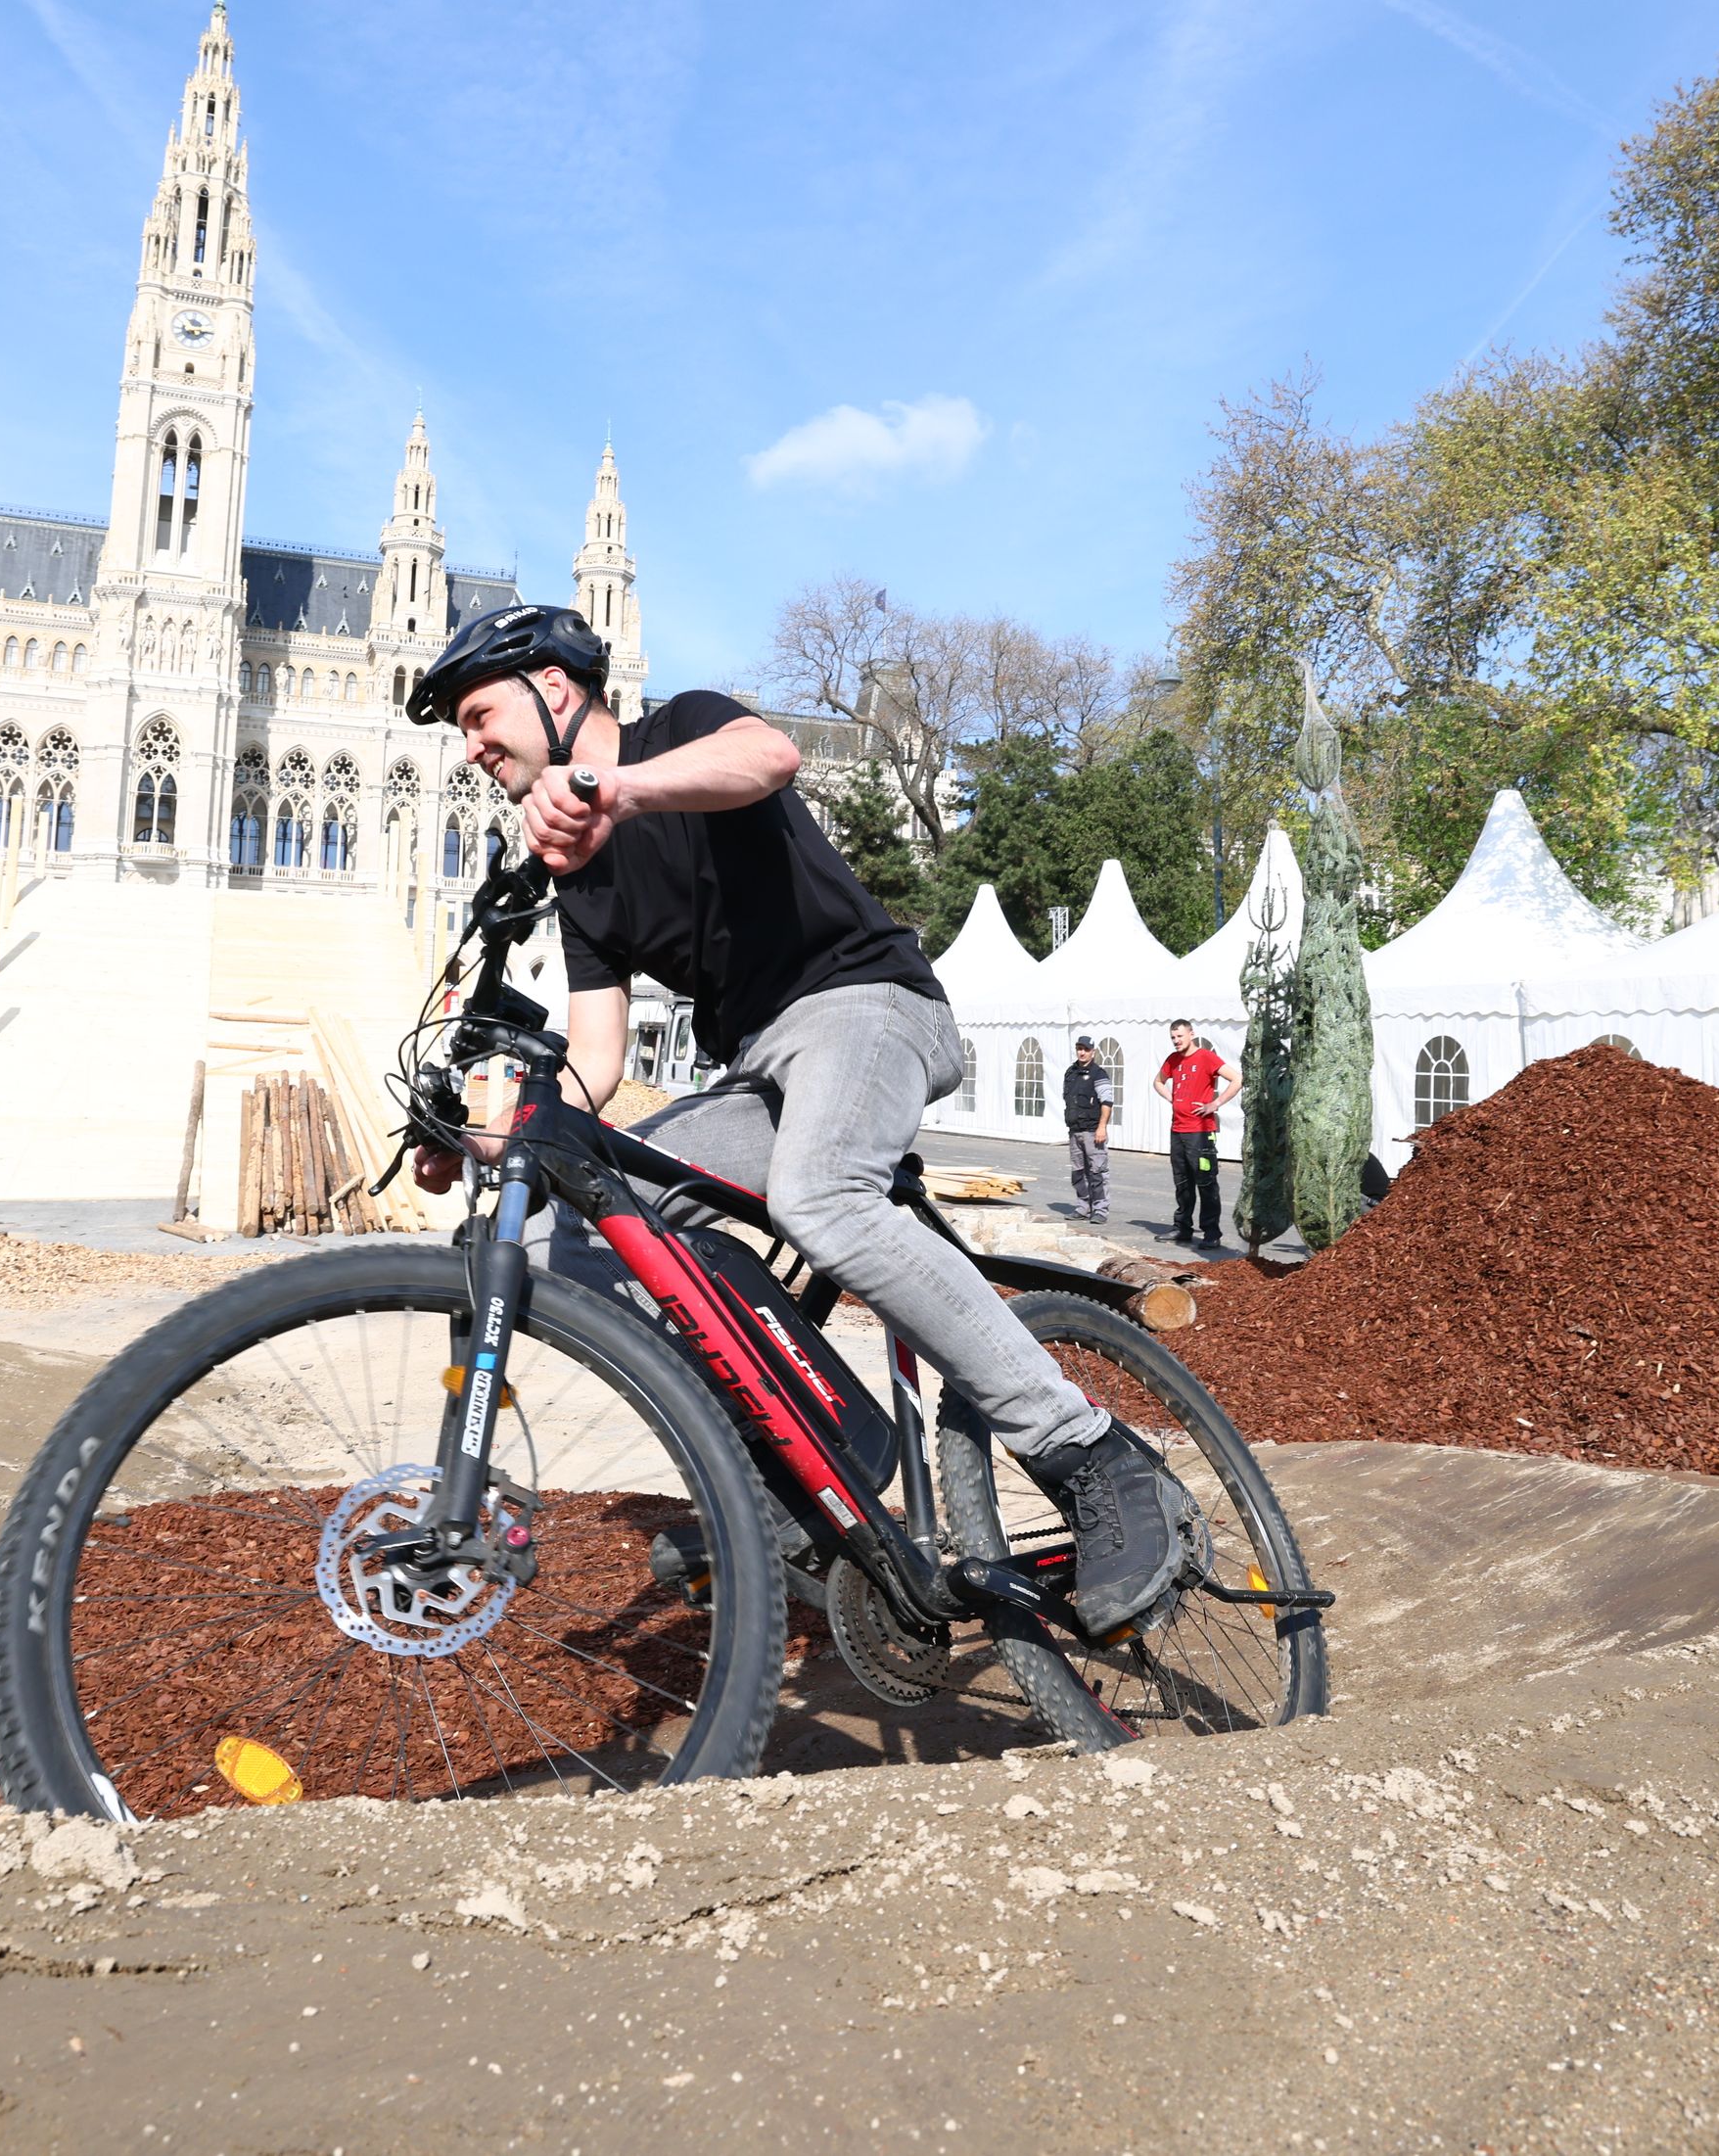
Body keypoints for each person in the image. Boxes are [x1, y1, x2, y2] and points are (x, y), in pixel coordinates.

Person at [403, 602, 1186, 1640]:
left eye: (477, 715)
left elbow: (766, 757)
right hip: (762, 1073)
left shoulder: (677, 731)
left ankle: (1091, 1454)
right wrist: (484, 1144)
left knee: (821, 1194)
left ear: (554, 689)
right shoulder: (580, 880)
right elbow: (593, 1065)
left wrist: (616, 790)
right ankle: (821, 1451)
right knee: (569, 1220)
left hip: (867, 1008)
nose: (472, 747)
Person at [1154, 1019, 1238, 1246]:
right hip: (1178, 1130)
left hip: (1200, 1133)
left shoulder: (1206, 1057)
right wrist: (1172, 1098)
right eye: (1173, 1037)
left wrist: (1216, 1103)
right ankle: (1182, 1228)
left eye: (1180, 1036)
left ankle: (1211, 1233)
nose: (1176, 1041)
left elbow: (1237, 1078)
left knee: (1206, 1182)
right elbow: (1158, 1082)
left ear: (1191, 1034)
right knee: (1182, 1182)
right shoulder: (1173, 1060)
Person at [1058, 1034, 1111, 1219]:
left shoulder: (1099, 1074)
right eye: (1079, 1049)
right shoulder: (1070, 1073)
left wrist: (1102, 1127)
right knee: (1078, 1173)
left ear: (1093, 1052)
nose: (1082, 1052)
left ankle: (1100, 1210)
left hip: (1093, 1131)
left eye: (1086, 1049)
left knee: (1097, 1172)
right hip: (1075, 1131)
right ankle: (1083, 1206)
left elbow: (1107, 1102)